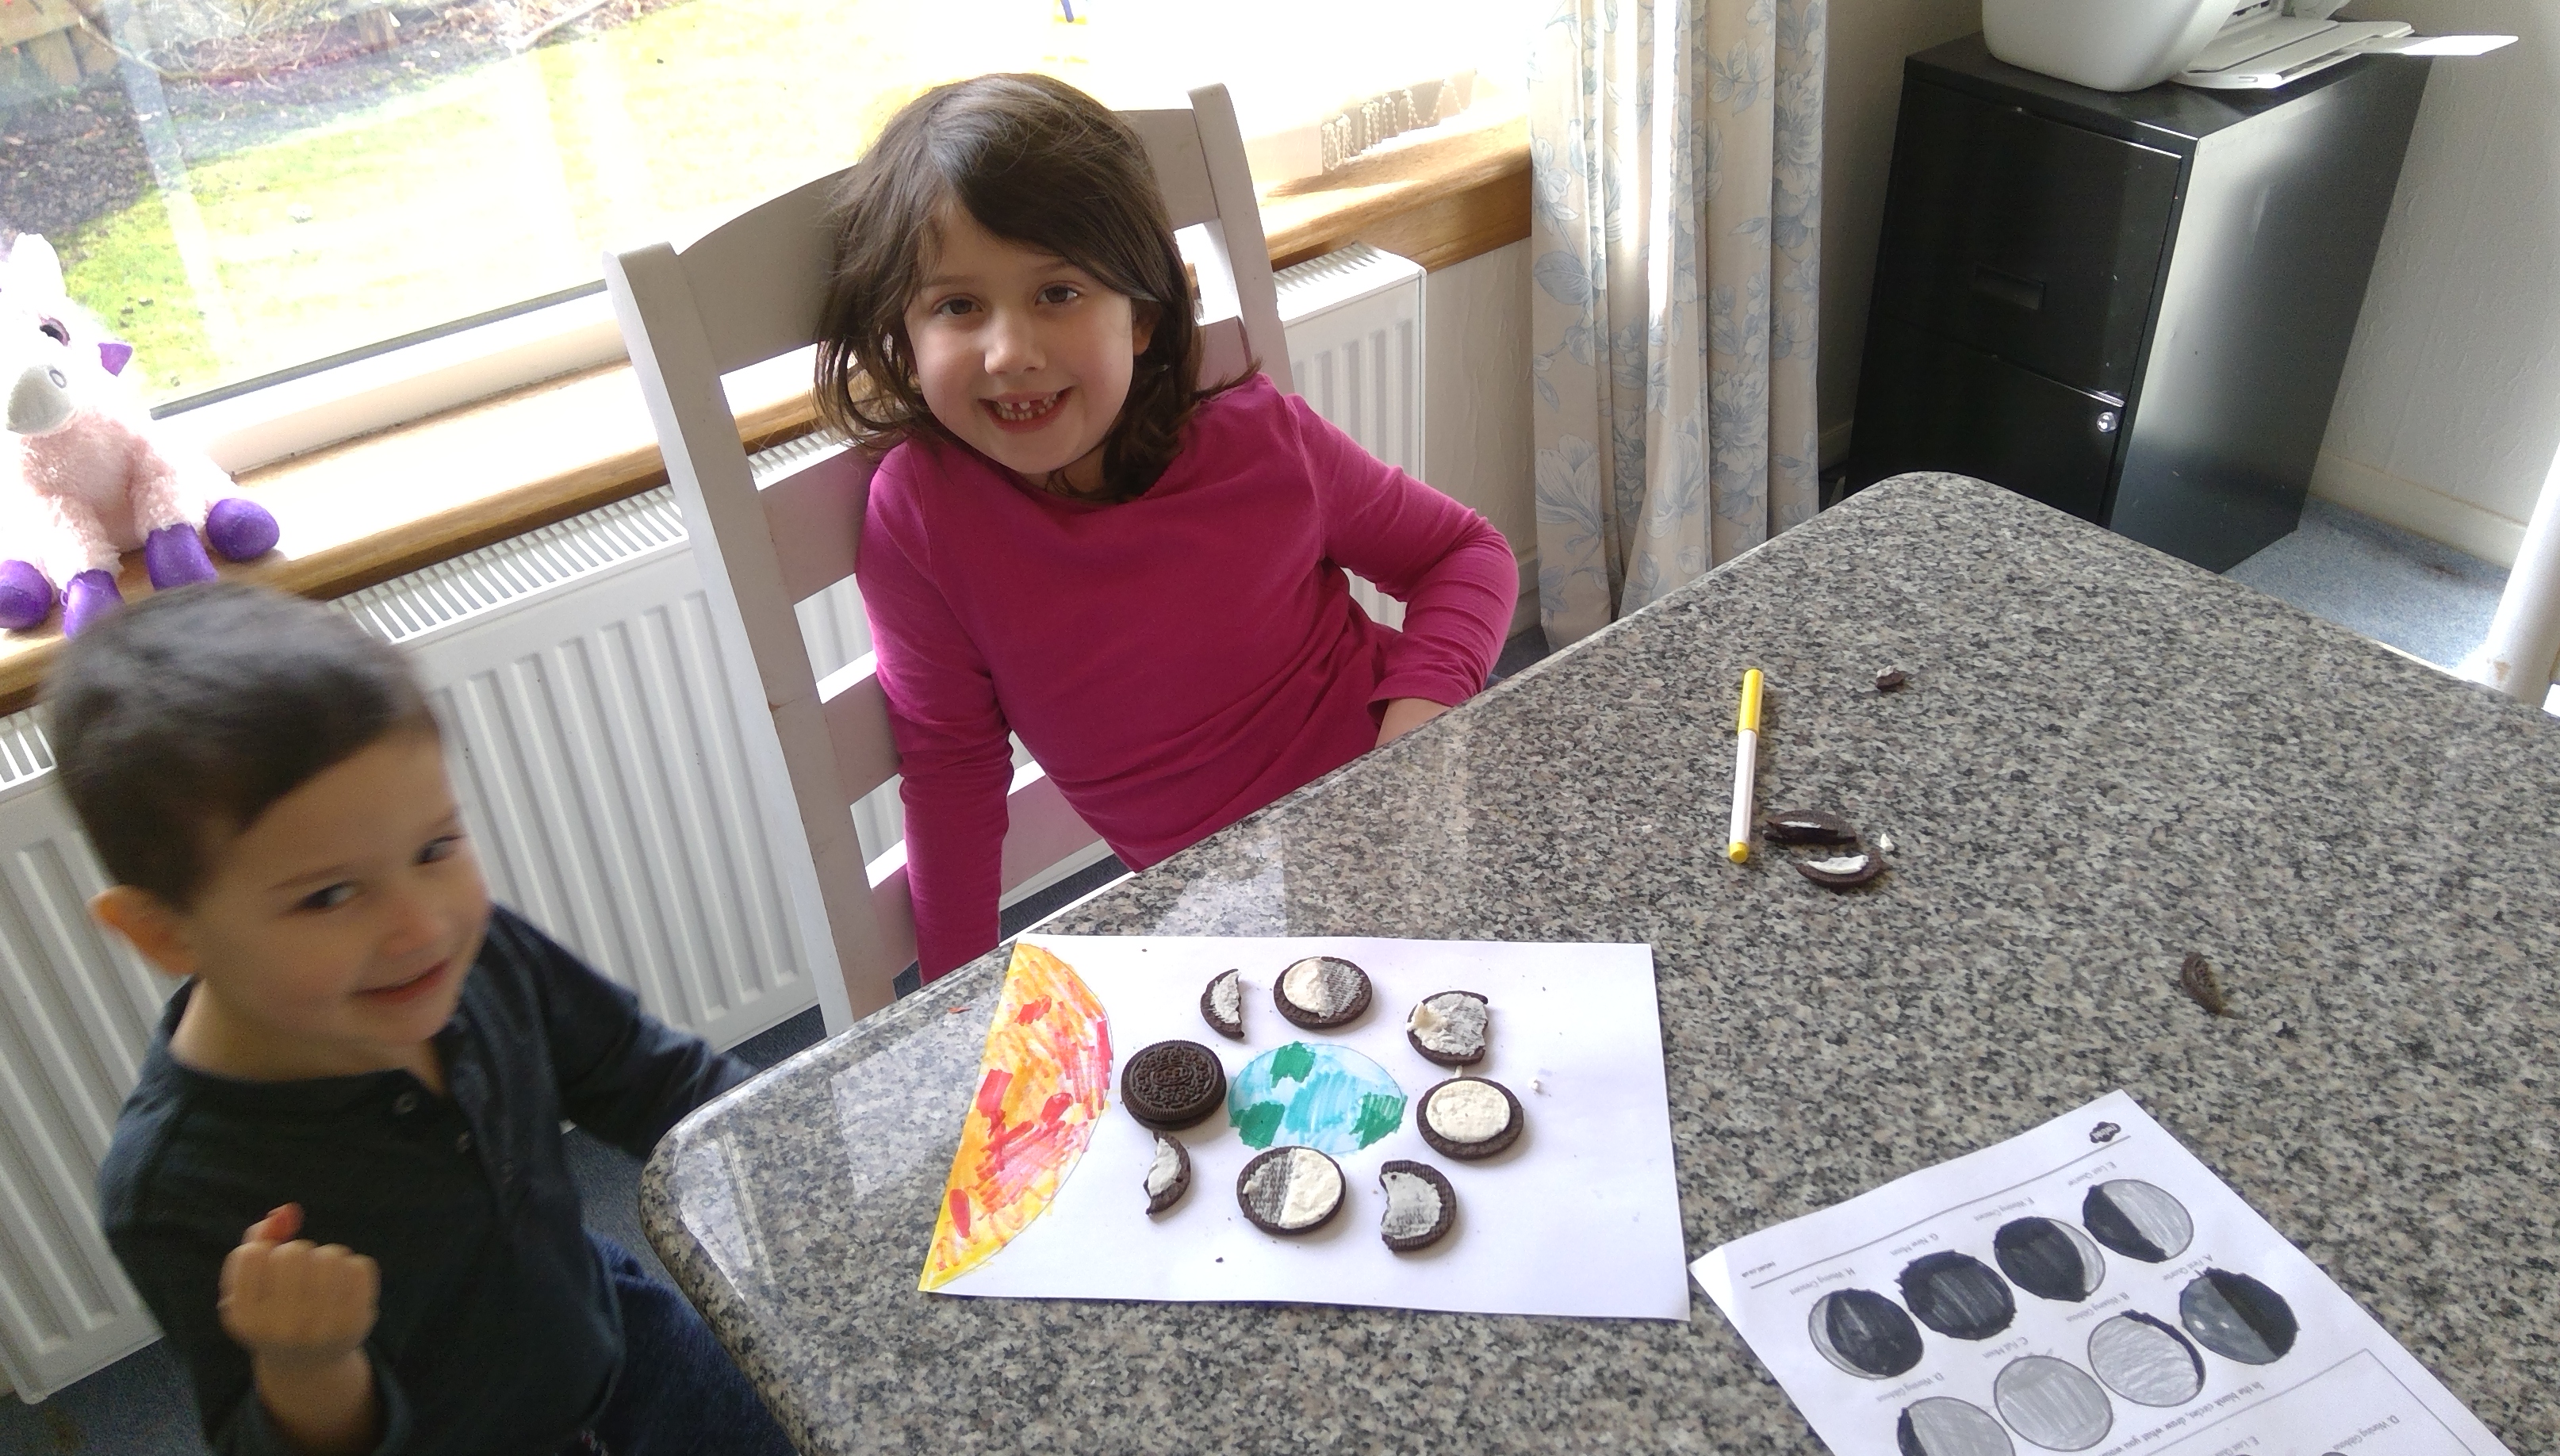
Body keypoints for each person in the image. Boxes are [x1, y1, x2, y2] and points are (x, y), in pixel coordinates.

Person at [56, 582, 794, 1456]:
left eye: (436, 848)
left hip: (624, 1343)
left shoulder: (472, 953)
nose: (422, 925)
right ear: (164, 931)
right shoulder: (175, 1191)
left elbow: (650, 1075)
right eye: (328, 895)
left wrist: (804, 1153)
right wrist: (308, 1370)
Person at [816, 73, 1520, 979]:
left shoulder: (1258, 438)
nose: (1010, 351)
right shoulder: (920, 518)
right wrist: (955, 1000)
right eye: (958, 306)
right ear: (903, 334)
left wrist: (1410, 746)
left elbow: (1466, 553)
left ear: (1142, 317)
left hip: (1422, 793)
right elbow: (952, 775)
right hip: (1246, 913)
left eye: (1058, 293)